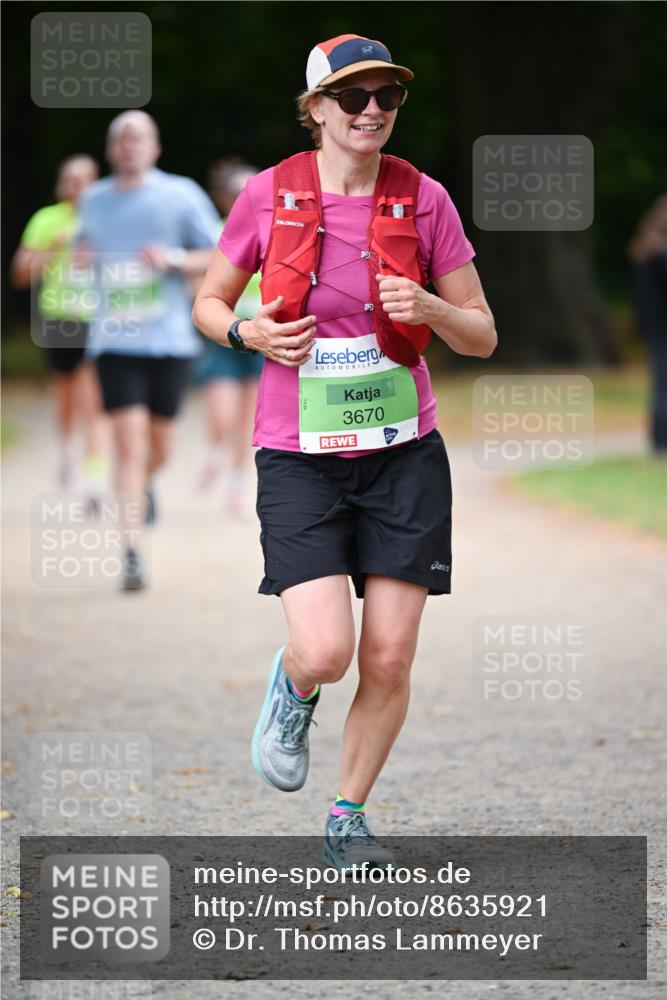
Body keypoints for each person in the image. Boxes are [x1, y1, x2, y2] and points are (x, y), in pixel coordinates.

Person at [193, 34, 497, 868]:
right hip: (299, 456)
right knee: (326, 650)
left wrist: (430, 309)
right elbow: (209, 302)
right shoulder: (267, 194)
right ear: (316, 109)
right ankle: (294, 688)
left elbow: (480, 334)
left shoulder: (424, 198)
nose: (371, 110)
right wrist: (247, 331)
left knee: (389, 655)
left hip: (403, 455)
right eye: (352, 96)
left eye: (386, 96)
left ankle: (347, 815)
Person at [77, 111, 220, 590]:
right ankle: (132, 552)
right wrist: (80, 257)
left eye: (138, 137)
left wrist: (173, 259)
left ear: (155, 147)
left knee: (161, 448)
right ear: (110, 149)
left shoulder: (181, 194)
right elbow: (82, 249)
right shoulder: (93, 200)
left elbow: (222, 254)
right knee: (129, 444)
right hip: (114, 340)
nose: (129, 145)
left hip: (169, 340)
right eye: (121, 138)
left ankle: (143, 483)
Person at [11, 155, 109, 501]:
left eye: (84, 179)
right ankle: (67, 450)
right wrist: (56, 246)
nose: (77, 186)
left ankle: (95, 473)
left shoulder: (106, 216)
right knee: (66, 395)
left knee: (93, 398)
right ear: (61, 184)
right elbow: (20, 274)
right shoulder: (46, 219)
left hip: (97, 319)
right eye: (71, 179)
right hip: (60, 318)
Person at [194, 159, 264, 515]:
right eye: (237, 192)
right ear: (224, 197)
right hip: (225, 335)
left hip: (262, 335)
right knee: (223, 413)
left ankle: (237, 483)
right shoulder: (215, 233)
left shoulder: (276, 228)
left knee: (249, 417)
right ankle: (218, 449)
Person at [628, 194, 667, 456]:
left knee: (660, 384)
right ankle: (662, 441)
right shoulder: (661, 256)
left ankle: (658, 440)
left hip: (652, 326)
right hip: (663, 326)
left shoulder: (643, 250)